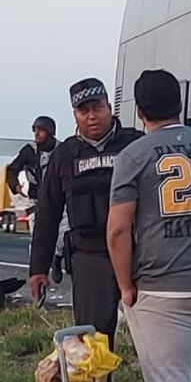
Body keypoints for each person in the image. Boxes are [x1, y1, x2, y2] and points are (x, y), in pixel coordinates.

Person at [108, 69, 191, 382]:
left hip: (163, 287)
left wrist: (126, 288)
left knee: (170, 380)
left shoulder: (134, 156)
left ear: (139, 111)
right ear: (179, 104)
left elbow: (118, 231)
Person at [28, 78, 143, 350]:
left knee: (154, 339)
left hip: (139, 255)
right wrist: (38, 268)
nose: (92, 116)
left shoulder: (136, 145)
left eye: (97, 107)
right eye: (84, 111)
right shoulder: (65, 154)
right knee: (94, 342)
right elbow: (47, 213)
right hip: (90, 257)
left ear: (109, 107)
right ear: (75, 115)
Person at [7, 115, 67, 283]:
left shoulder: (62, 150)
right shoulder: (29, 150)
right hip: (37, 201)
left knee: (62, 236)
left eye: (40, 130)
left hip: (60, 201)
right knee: (38, 239)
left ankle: (57, 258)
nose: (36, 134)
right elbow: (12, 169)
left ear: (50, 132)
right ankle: (37, 272)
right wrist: (15, 185)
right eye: (35, 130)